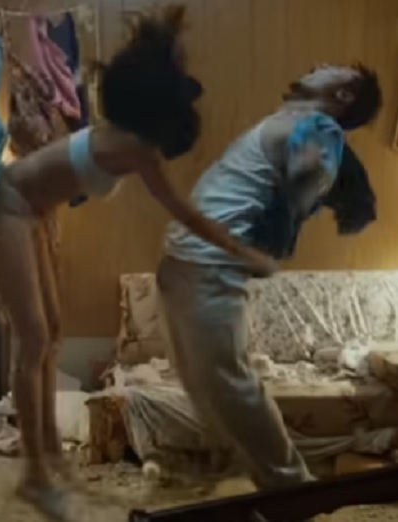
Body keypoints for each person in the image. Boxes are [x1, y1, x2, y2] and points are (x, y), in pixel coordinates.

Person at [0, 6, 273, 521]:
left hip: (31, 212)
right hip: (4, 208)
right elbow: (185, 213)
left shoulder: (133, 144)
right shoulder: (132, 147)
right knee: (34, 338)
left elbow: (182, 210)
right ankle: (34, 476)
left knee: (52, 332)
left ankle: (48, 453)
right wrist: (244, 253)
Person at [157, 62, 383, 491]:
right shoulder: (290, 120)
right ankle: (229, 473)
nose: (320, 65)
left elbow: (305, 186)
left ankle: (292, 489)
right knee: (201, 382)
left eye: (333, 69)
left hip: (210, 265)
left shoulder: (319, 128)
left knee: (230, 383)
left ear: (344, 95)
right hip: (183, 261)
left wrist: (265, 245)